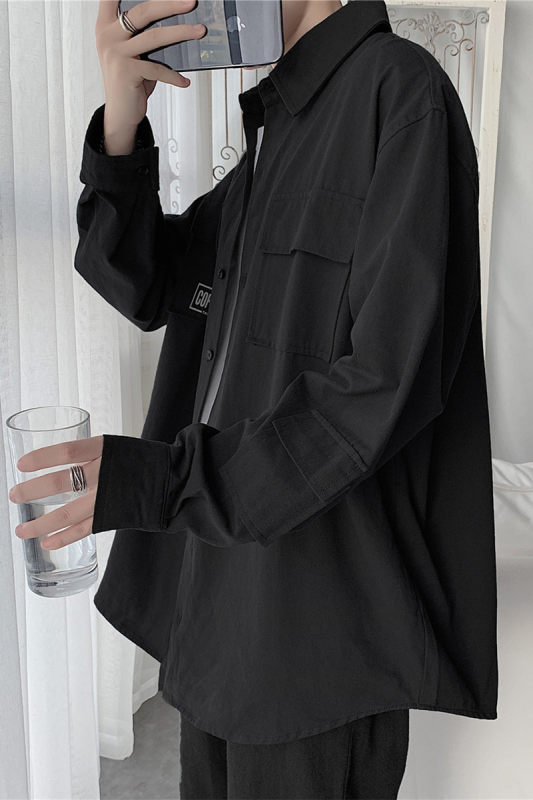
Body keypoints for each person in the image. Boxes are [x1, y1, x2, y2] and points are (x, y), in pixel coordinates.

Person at [58, 0, 498, 796]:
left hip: (317, 637)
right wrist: (122, 111)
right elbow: (150, 284)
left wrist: (160, 483)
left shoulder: (398, 93)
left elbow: (384, 384)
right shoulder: (281, 130)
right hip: (219, 608)